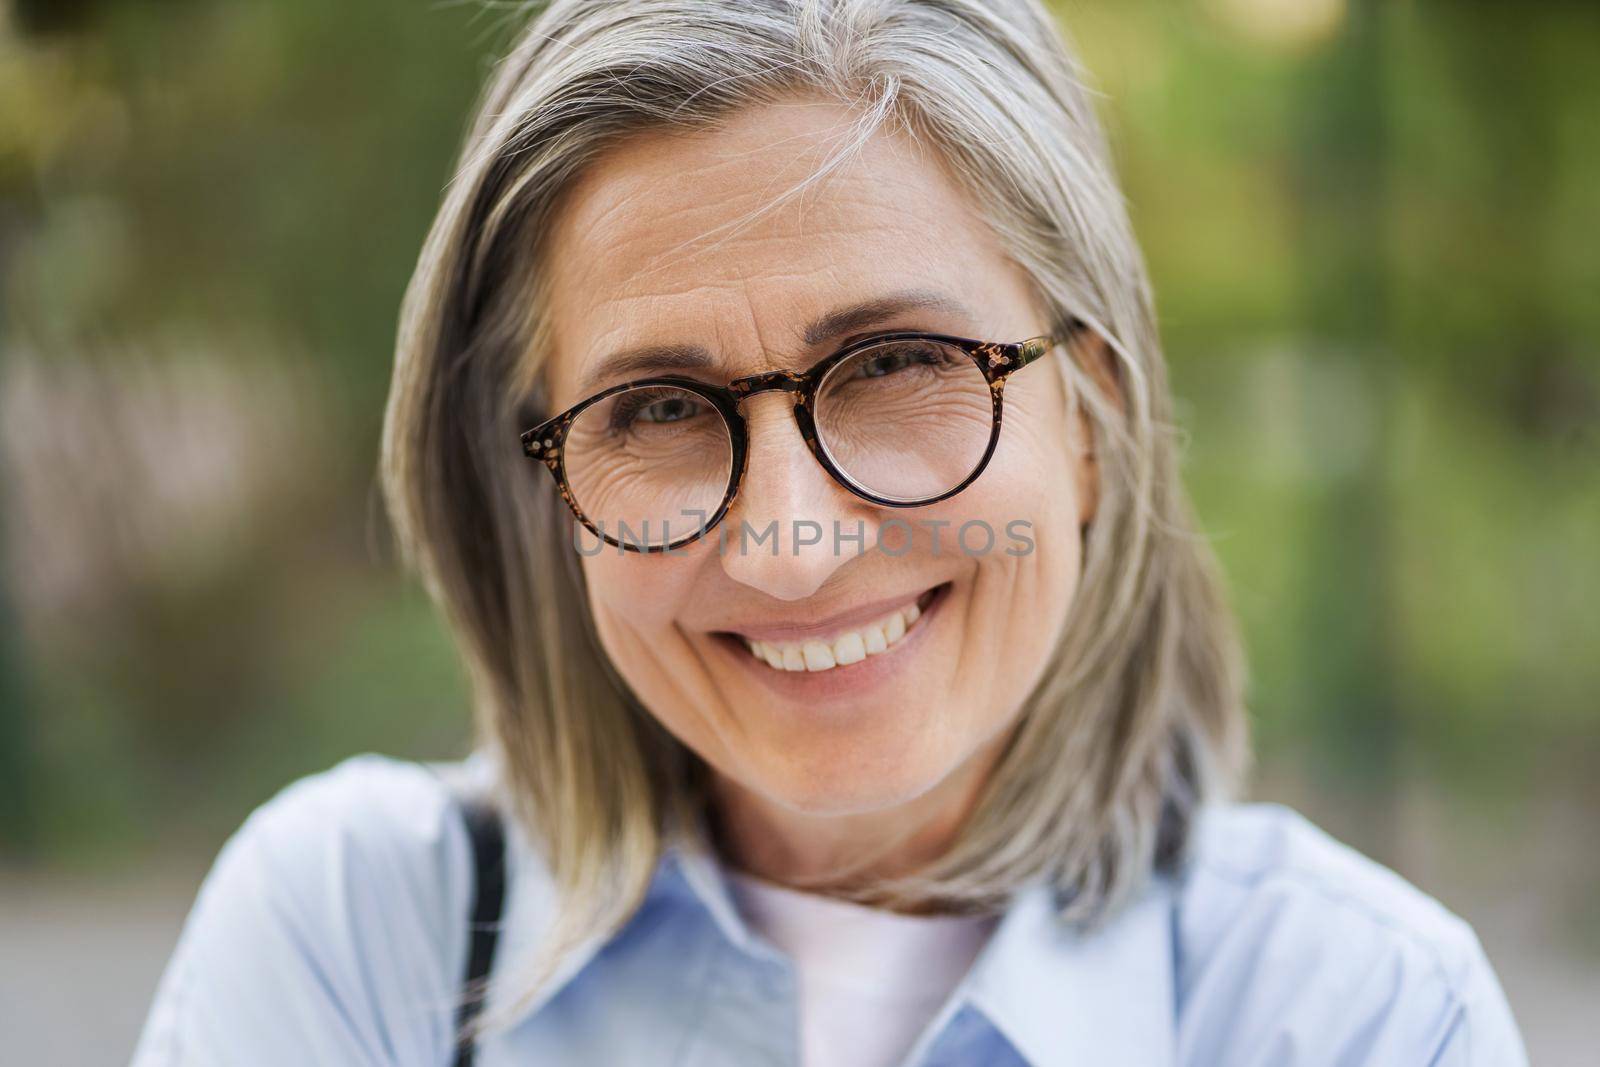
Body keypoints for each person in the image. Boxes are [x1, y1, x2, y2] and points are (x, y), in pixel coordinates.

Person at [130, 1, 1528, 1064]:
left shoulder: (1357, 1015)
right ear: (546, 485)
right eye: (656, 406)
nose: (789, 546)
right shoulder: (362, 938)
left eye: (899, 367)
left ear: (1091, 426)